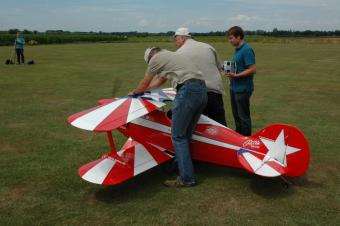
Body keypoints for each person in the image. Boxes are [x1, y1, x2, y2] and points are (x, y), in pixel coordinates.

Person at [128, 47, 207, 187]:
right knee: (185, 135)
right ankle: (176, 167)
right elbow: (159, 82)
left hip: (187, 90)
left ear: (151, 57)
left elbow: (145, 82)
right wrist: (144, 91)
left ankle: (186, 178)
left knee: (177, 136)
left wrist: (135, 92)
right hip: (201, 91)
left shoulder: (155, 59)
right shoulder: (170, 56)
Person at [174, 27, 227, 126]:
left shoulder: (178, 53)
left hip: (194, 95)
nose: (175, 43)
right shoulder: (208, 47)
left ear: (183, 38)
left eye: (176, 39)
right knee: (221, 126)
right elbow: (220, 67)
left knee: (195, 127)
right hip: (214, 93)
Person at [225, 26, 256, 136]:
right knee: (236, 115)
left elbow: (252, 69)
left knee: (243, 116)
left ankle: (246, 140)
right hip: (234, 87)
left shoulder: (246, 49)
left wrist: (236, 75)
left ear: (239, 37)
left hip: (243, 88)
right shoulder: (238, 50)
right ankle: (238, 137)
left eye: (231, 38)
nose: (230, 41)